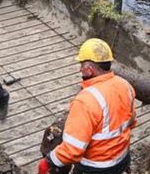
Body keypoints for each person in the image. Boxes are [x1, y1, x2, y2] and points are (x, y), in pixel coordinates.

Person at [38, 38, 137, 174]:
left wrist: (48, 161)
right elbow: (132, 122)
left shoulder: (85, 100)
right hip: (122, 159)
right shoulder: (125, 85)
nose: (80, 69)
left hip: (95, 167)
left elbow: (72, 150)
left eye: (81, 65)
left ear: (89, 69)